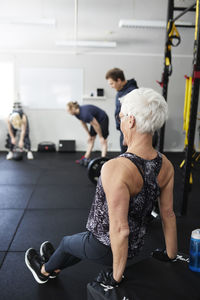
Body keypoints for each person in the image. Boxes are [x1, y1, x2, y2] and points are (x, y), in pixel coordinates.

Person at [25, 88, 177, 286]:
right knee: (76, 244)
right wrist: (171, 255)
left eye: (121, 116)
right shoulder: (166, 164)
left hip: (105, 247)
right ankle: (57, 264)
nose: (120, 122)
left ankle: (44, 271)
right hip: (135, 247)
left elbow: (121, 230)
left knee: (66, 243)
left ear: (130, 121)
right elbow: (168, 214)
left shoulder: (115, 168)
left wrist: (115, 278)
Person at [105, 67, 138, 153]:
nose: (111, 86)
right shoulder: (121, 91)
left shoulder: (132, 92)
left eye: (112, 83)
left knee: (129, 154)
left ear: (119, 80)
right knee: (124, 154)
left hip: (130, 130)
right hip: (123, 129)